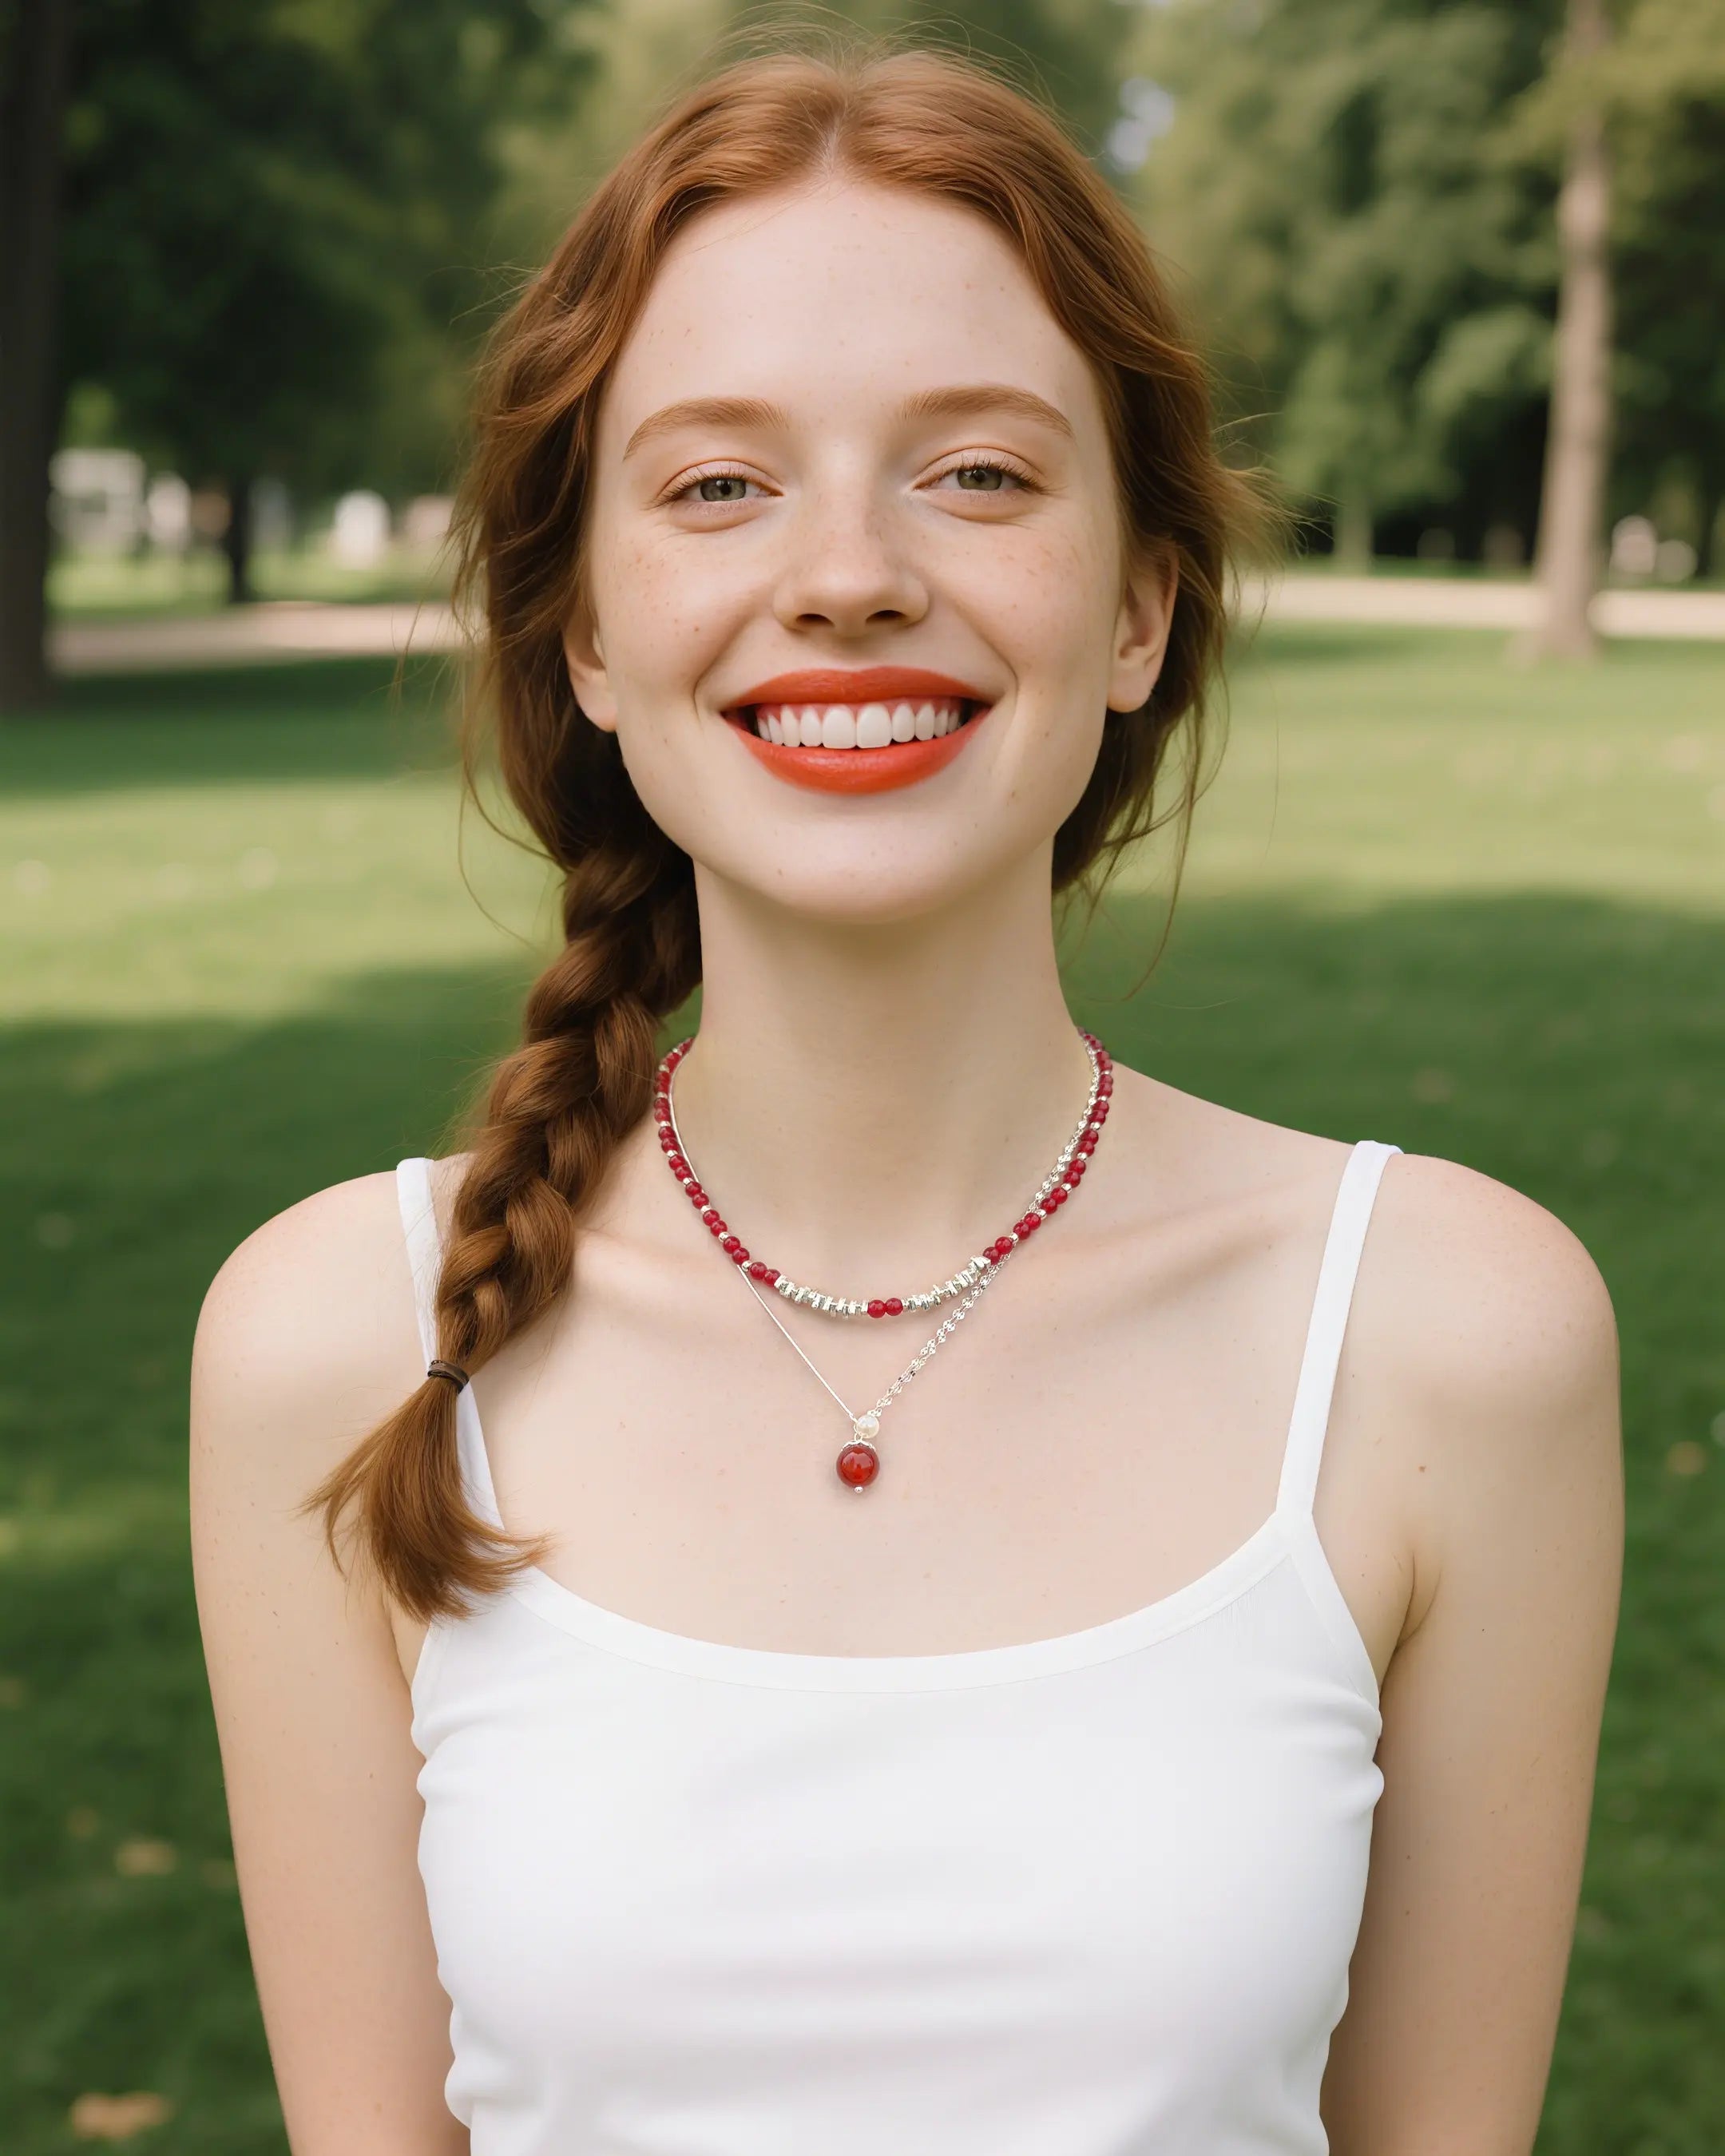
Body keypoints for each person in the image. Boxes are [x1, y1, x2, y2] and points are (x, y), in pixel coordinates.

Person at [189, 44, 1623, 2156]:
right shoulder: (335, 1343)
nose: (849, 570)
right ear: (587, 634)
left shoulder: (1451, 1336)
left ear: (1137, 607)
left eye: (976, 474)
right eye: (717, 485)